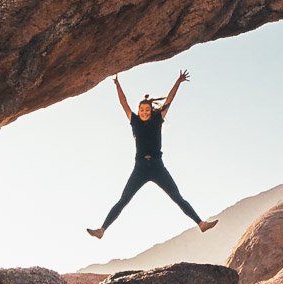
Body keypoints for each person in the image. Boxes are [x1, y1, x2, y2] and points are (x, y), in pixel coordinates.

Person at [86, 70, 218, 239]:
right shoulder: (134, 121)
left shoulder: (158, 119)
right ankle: (102, 230)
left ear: (150, 110)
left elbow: (170, 100)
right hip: (140, 168)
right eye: (142, 110)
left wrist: (178, 81)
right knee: (124, 200)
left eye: (147, 110)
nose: (144, 112)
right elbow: (123, 103)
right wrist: (117, 85)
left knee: (177, 197)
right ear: (138, 110)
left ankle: (201, 224)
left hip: (157, 166)